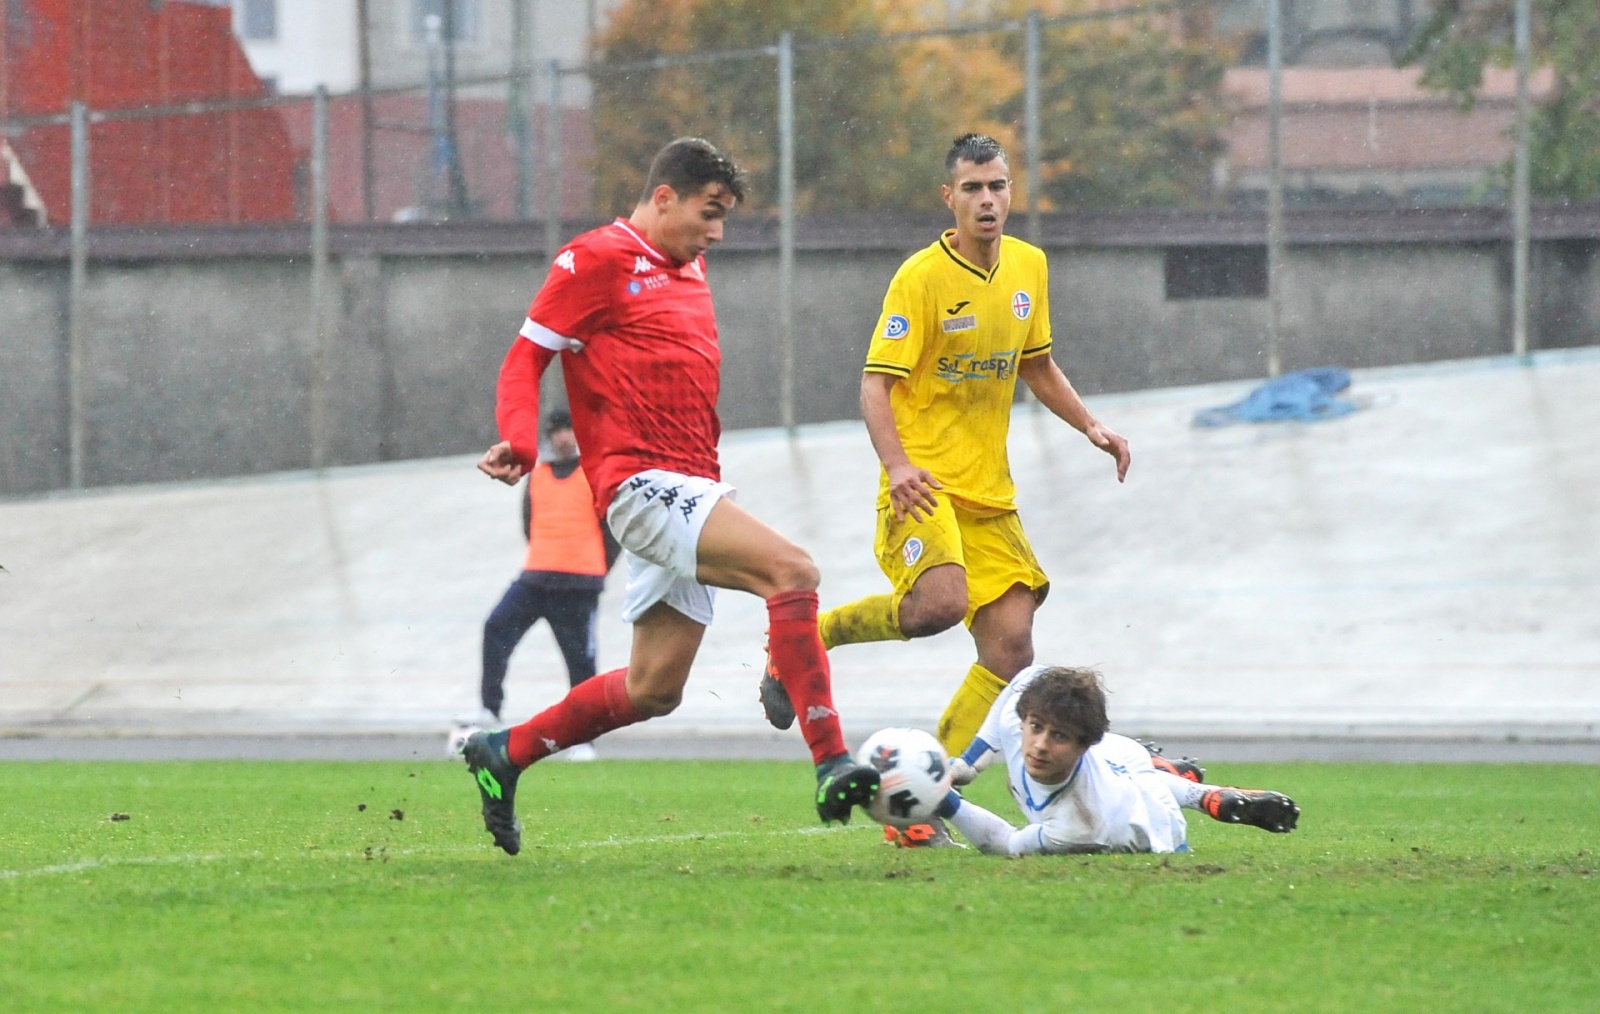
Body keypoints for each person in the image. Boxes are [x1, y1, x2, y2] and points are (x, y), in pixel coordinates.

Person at [464, 137, 880, 855]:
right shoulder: (594, 259)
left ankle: (507, 753)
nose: (717, 232)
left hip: (693, 483)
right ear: (663, 198)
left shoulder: (687, 264)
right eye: (708, 213)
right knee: (793, 572)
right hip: (640, 485)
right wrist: (523, 442)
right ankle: (832, 758)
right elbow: (524, 357)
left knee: (655, 688)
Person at [761, 133, 1132, 769]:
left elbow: (1037, 365)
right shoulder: (921, 278)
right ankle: (805, 639)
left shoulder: (1028, 267)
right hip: (923, 482)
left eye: (997, 186)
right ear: (949, 197)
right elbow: (875, 381)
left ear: (1011, 191)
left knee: (1012, 650)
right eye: (972, 188)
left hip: (988, 494)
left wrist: (1091, 426)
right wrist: (899, 466)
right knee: (939, 605)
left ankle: (930, 797)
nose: (987, 200)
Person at [924, 665, 1299, 855]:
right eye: (1035, 727)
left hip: (1157, 823)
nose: (1038, 745)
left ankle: (1200, 794)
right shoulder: (1024, 723)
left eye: (1058, 737)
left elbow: (1004, 843)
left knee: (1145, 780)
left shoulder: (1079, 826)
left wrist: (947, 800)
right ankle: (1179, 777)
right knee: (1135, 760)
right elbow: (1029, 675)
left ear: (1083, 745)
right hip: (1120, 756)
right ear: (1024, 720)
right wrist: (968, 764)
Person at [476, 408, 621, 761]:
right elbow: (530, 523)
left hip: (579, 583)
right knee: (496, 627)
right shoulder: (537, 475)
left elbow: (613, 529)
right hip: (537, 577)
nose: (564, 437)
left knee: (581, 664)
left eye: (570, 430)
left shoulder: (596, 471)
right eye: (558, 431)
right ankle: (489, 710)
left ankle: (583, 738)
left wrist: (597, 567)